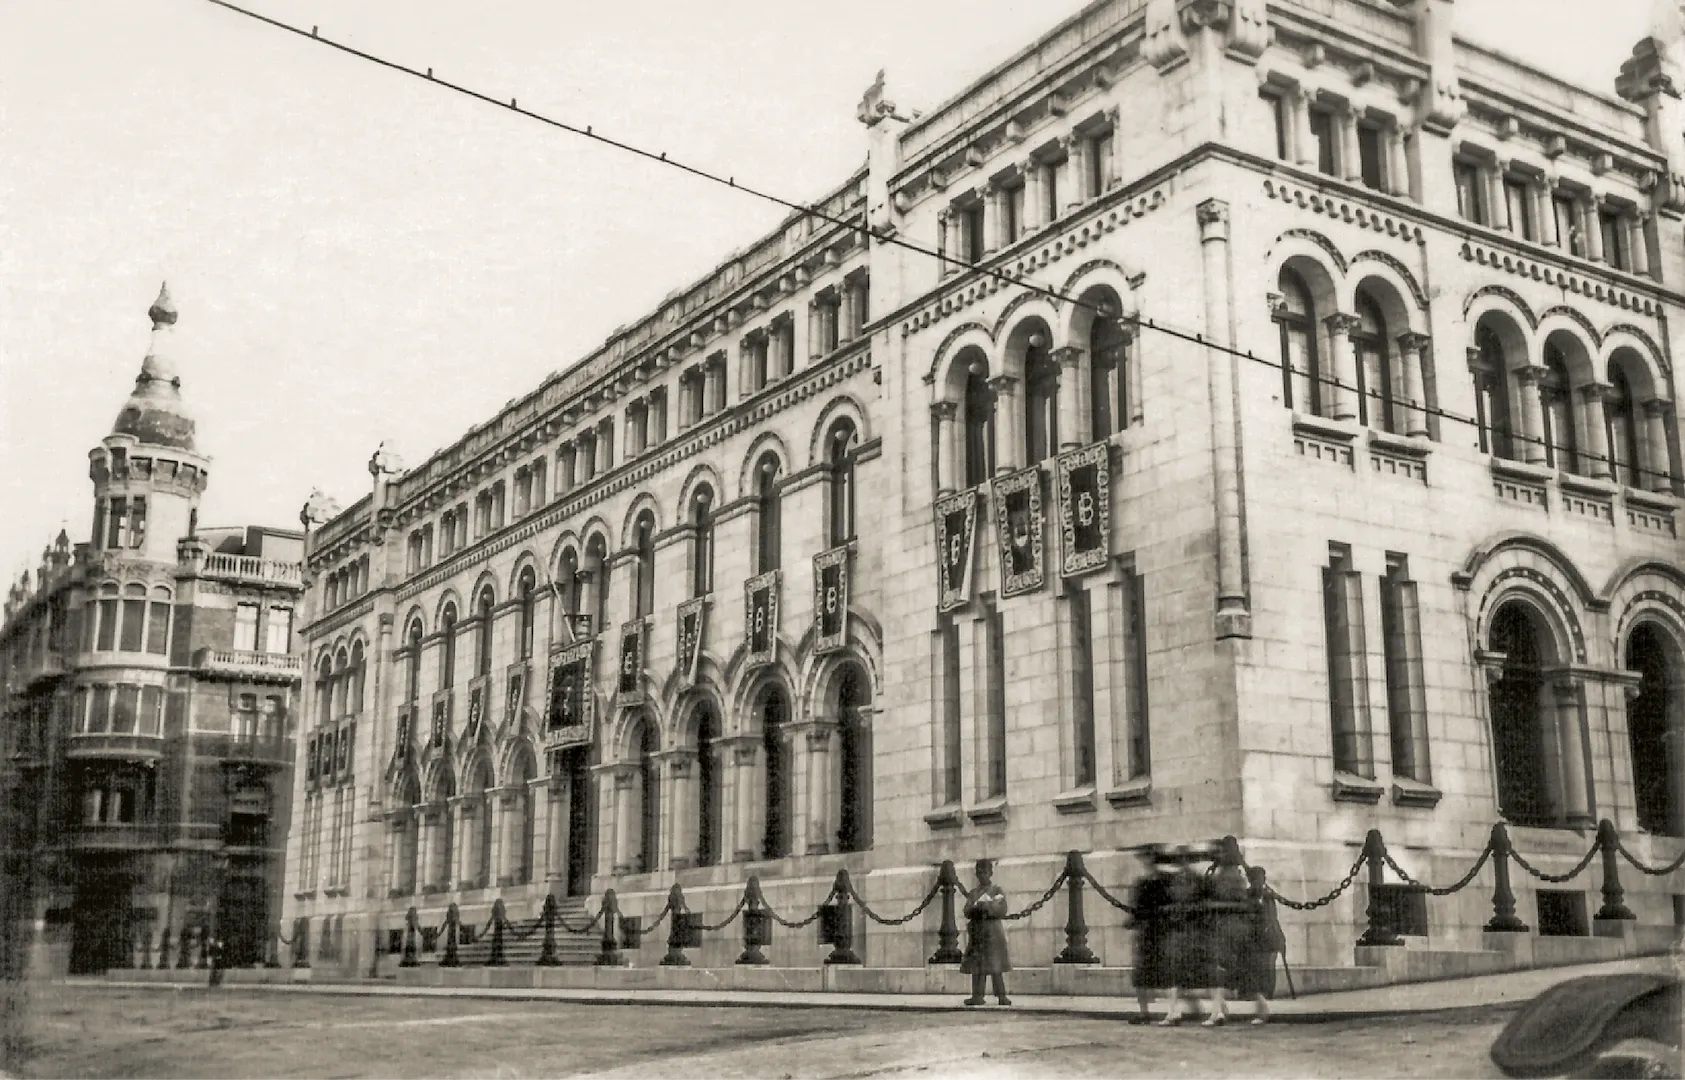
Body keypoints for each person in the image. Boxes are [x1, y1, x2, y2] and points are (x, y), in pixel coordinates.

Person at [1156, 846, 1215, 1026]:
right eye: (1179, 859)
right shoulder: (1171, 881)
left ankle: (1216, 1009)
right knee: (1173, 971)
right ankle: (1173, 1012)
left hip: (1193, 930)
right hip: (1176, 929)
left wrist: (1189, 910)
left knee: (1196, 972)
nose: (1182, 862)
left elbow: (1205, 905)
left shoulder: (1199, 880)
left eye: (1185, 859)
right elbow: (1166, 902)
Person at [1128, 845, 1174, 1023]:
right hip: (1146, 930)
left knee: (1165, 970)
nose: (1146, 862)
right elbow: (1136, 907)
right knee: (1140, 974)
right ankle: (1144, 1011)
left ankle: (1171, 1010)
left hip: (1161, 929)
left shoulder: (1164, 880)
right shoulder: (1141, 882)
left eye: (1148, 858)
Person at [1234, 865, 1286, 1026]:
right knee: (1258, 971)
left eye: (1261, 879)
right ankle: (1262, 1004)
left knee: (1267, 969)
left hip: (1269, 939)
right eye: (1255, 879)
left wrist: (1280, 939)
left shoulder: (1269, 895)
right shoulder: (1247, 896)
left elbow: (1273, 918)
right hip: (1255, 940)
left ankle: (1266, 1001)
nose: (1259, 882)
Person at [960, 858, 1012, 1006]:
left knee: (996, 966)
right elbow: (967, 910)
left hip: (993, 933)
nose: (982, 875)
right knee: (977, 967)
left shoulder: (997, 890)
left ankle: (1001, 995)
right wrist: (978, 907)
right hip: (977, 934)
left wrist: (985, 906)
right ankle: (977, 995)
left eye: (985, 872)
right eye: (979, 873)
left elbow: (1001, 908)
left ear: (990, 873)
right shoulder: (974, 893)